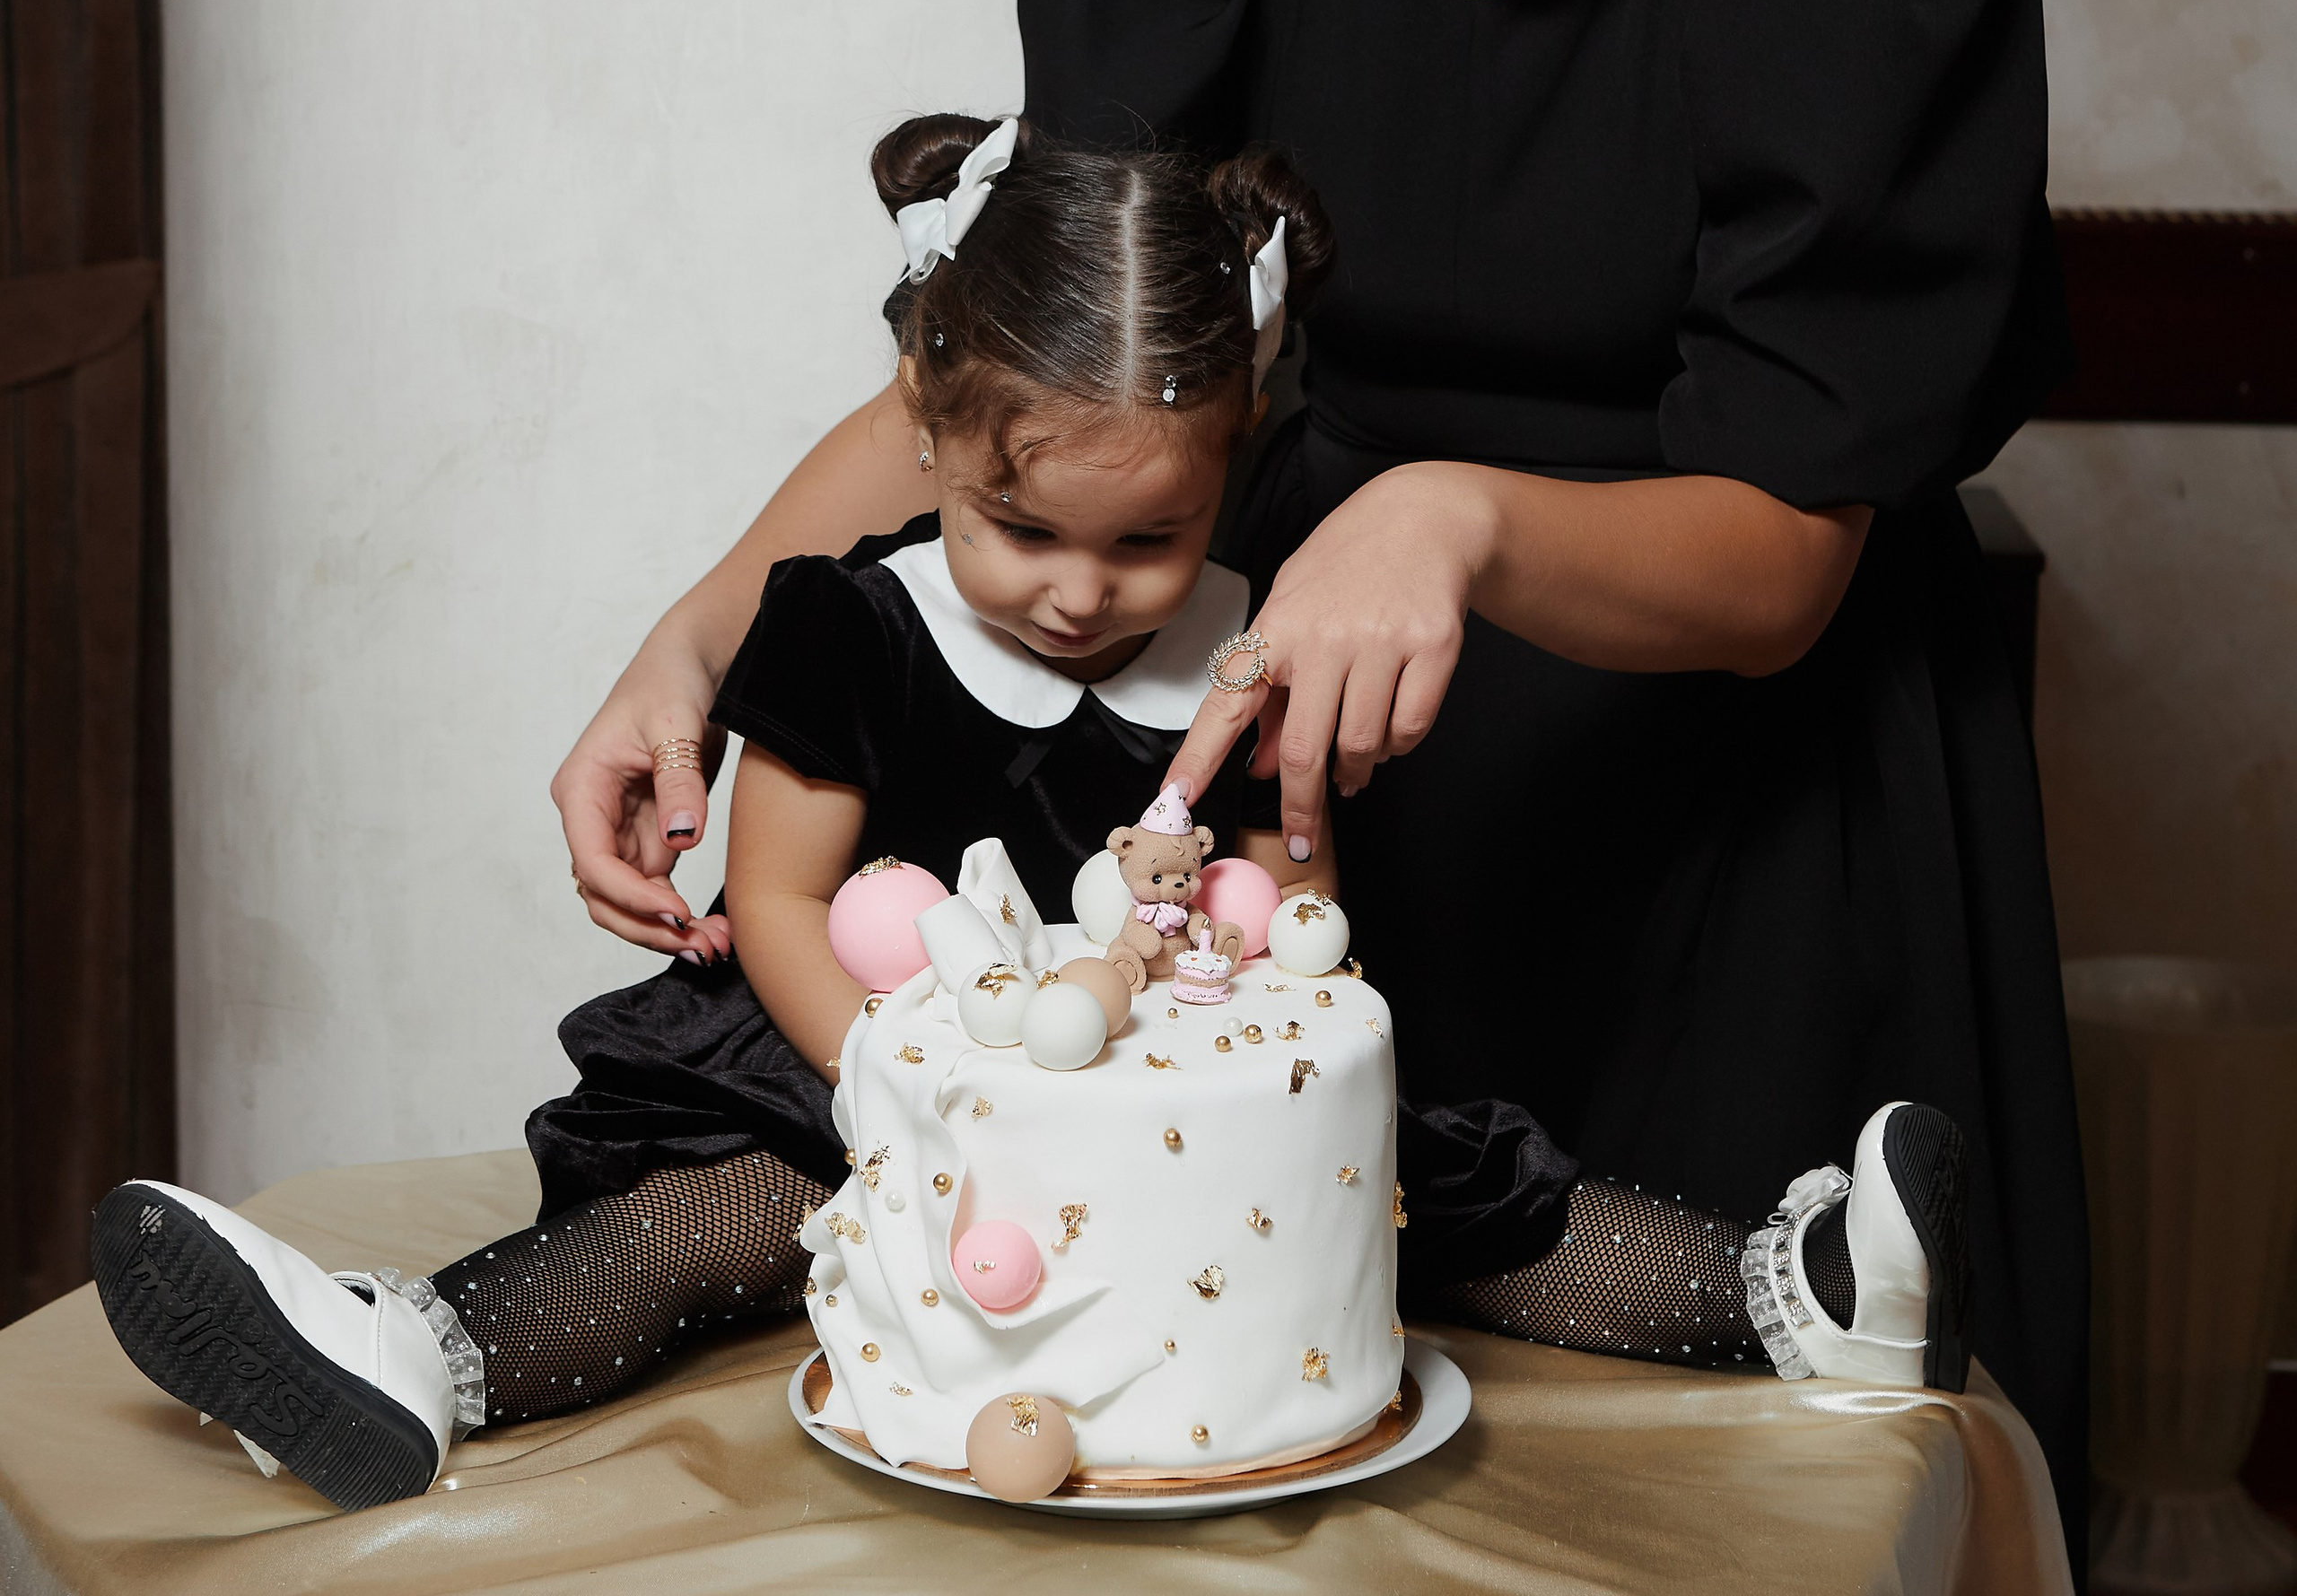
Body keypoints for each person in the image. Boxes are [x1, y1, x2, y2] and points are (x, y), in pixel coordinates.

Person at [551, 0, 2084, 1575]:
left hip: (1737, 839)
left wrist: (1446, 516)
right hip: (1307, 804)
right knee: (1254, 1464)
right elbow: (1033, 384)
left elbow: (1782, 565)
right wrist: (696, 633)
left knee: (1716, 1556)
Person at [92, 116, 1965, 1511]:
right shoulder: (845, 623)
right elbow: (775, 898)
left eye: (1146, 537)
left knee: (1432, 1190)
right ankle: (410, 1352)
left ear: (1227, 465)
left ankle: (1789, 1288)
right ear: (925, 421)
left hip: (1157, 1115)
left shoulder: (1249, 643)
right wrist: (921, 1096)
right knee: (720, 1221)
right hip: (871, 1078)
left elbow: (1300, 903)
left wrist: (1239, 897)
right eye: (1026, 530)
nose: (1081, 590)